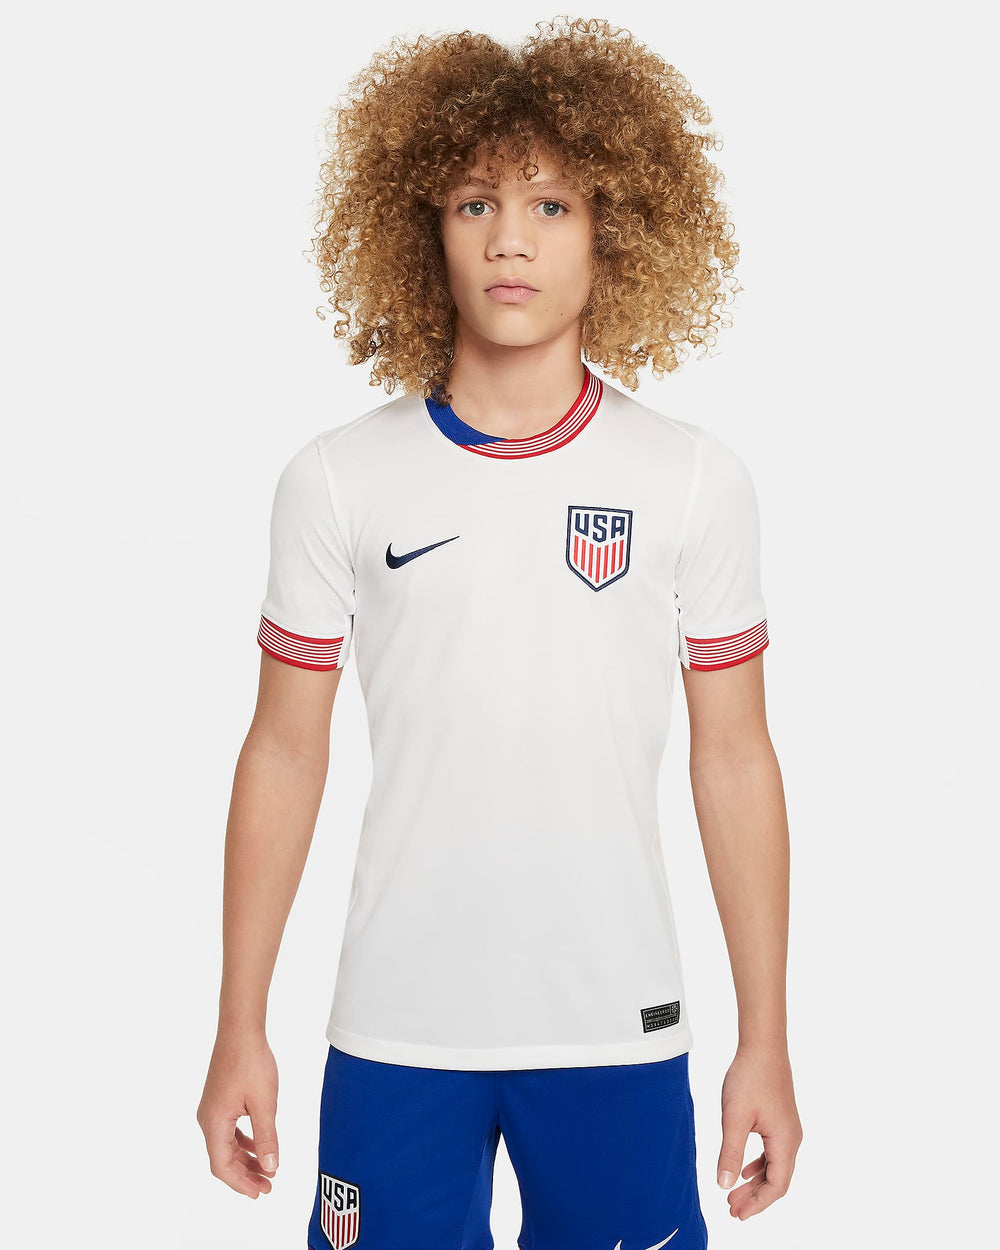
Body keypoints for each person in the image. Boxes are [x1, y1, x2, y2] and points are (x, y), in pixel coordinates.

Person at [197, 16, 802, 1249]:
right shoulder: (336, 478)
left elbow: (734, 756)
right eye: (474, 202)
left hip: (616, 1026)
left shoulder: (693, 480)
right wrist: (238, 1022)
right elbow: (285, 751)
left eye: (551, 205)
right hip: (395, 1028)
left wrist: (767, 1039)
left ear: (613, 230)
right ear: (422, 227)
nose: (510, 238)